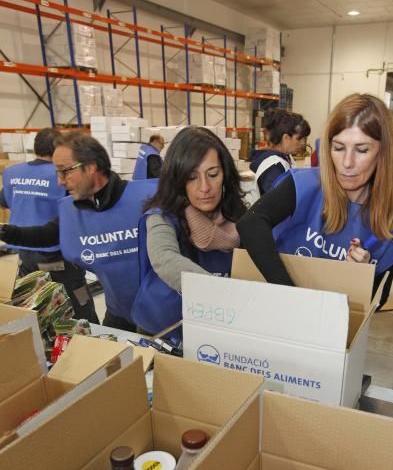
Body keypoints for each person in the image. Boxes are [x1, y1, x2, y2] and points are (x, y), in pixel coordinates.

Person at [236, 93, 393, 290]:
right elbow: (251, 223)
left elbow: (376, 299)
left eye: (362, 150)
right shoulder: (305, 184)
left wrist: (362, 275)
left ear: (383, 153)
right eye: (339, 148)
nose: (347, 163)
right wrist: (289, 292)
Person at [0, 132, 156, 330]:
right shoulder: (75, 209)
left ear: (90, 167)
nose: (60, 182)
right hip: (118, 312)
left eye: (64, 171)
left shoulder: (147, 199)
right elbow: (47, 234)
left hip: (157, 313)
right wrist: (4, 232)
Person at [131, 126, 247, 334]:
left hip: (218, 327)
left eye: (213, 174)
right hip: (166, 331)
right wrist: (226, 295)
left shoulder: (239, 214)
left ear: (225, 174)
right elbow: (164, 258)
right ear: (177, 179)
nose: (204, 187)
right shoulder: (161, 216)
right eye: (192, 177)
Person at [0, 127, 97, 321]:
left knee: (35, 301)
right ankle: (90, 341)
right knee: (79, 302)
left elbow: (4, 201)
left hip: (25, 253)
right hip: (56, 255)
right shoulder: (61, 174)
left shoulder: (12, 172)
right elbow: (77, 208)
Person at [250, 109, 310, 195]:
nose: (303, 143)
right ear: (285, 138)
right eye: (299, 139)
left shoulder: (285, 157)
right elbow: (276, 202)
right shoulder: (274, 167)